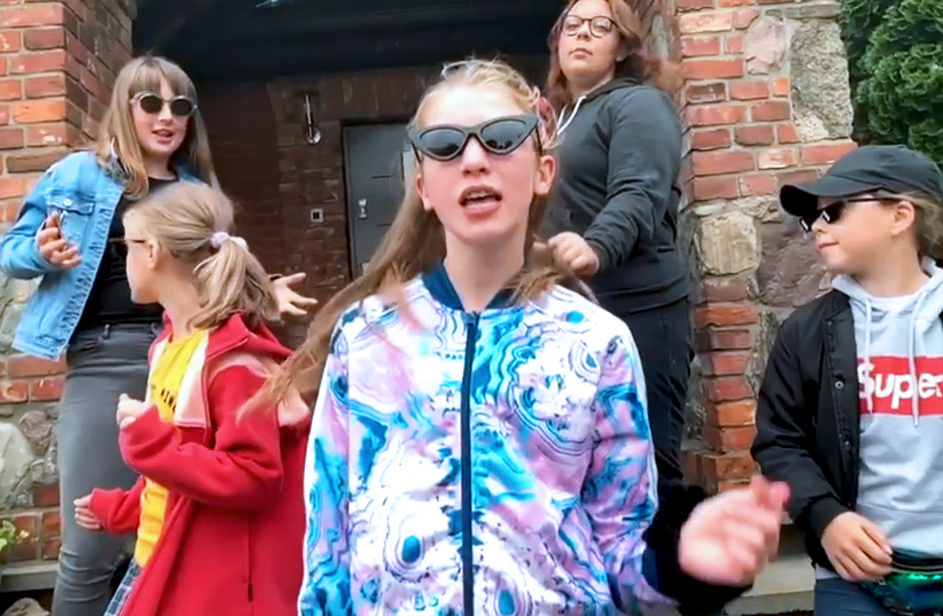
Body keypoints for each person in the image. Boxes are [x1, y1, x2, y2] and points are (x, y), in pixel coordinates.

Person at [276, 58, 789, 615]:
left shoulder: (597, 343)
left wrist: (683, 563)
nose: (474, 160)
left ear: (544, 172)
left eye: (500, 139)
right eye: (445, 145)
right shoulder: (366, 337)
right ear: (422, 186)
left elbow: (620, 555)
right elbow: (328, 548)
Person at [0, 56, 315, 616]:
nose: (167, 117)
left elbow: (220, 263)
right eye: (151, 103)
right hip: (106, 356)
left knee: (185, 526)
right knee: (88, 548)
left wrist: (262, 292)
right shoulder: (77, 174)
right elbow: (10, 252)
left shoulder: (195, 187)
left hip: (189, 350)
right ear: (126, 108)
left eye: (180, 106)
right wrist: (40, 252)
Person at [73, 182, 309, 616]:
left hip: (197, 583)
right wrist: (125, 509)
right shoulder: (167, 345)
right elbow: (181, 471)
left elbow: (254, 477)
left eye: (126, 247)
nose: (124, 259)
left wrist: (150, 443)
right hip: (156, 562)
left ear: (152, 252)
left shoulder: (234, 363)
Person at [752, 145, 943, 616]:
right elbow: (780, 442)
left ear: (900, 216)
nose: (817, 227)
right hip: (853, 581)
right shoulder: (806, 333)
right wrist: (826, 517)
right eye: (812, 218)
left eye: (834, 211)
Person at [540, 0, 691, 485]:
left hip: (640, 309)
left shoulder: (639, 104)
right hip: (576, 313)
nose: (582, 34)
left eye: (599, 27)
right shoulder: (562, 122)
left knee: (645, 469)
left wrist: (597, 246)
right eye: (572, 26)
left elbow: (640, 190)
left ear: (622, 47)